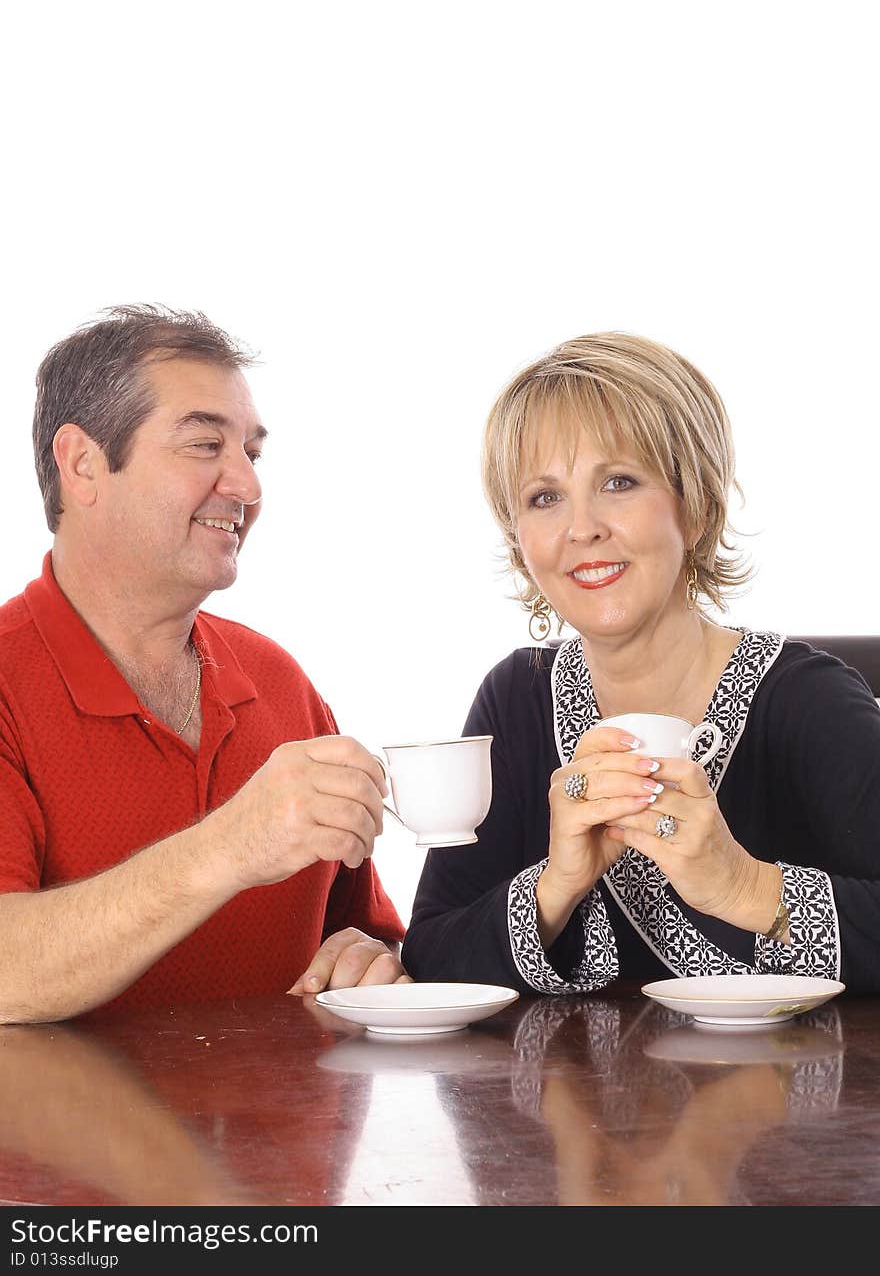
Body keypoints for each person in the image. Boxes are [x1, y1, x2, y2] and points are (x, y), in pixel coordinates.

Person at [402, 332, 880, 994]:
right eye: (545, 497)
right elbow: (429, 953)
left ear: (697, 505)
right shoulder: (516, 700)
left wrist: (747, 887)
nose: (582, 528)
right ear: (520, 541)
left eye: (618, 482)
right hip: (568, 1099)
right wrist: (557, 883)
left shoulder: (807, 701)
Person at [0, 305, 406, 1024]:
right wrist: (233, 844)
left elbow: (369, 937)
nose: (247, 487)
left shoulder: (278, 681)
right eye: (203, 445)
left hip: (286, 1137)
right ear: (83, 464)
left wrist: (374, 960)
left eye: (252, 451)